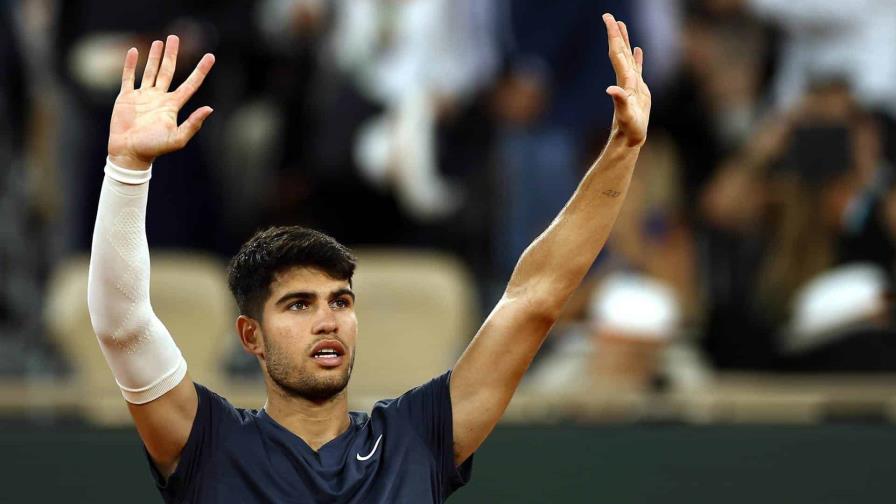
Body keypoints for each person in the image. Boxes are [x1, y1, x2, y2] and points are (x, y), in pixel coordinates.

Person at [86, 13, 650, 503]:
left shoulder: (417, 437)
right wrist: (128, 169)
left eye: (340, 301)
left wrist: (623, 148)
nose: (327, 318)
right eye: (298, 305)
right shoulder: (208, 442)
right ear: (250, 335)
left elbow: (534, 298)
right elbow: (124, 325)